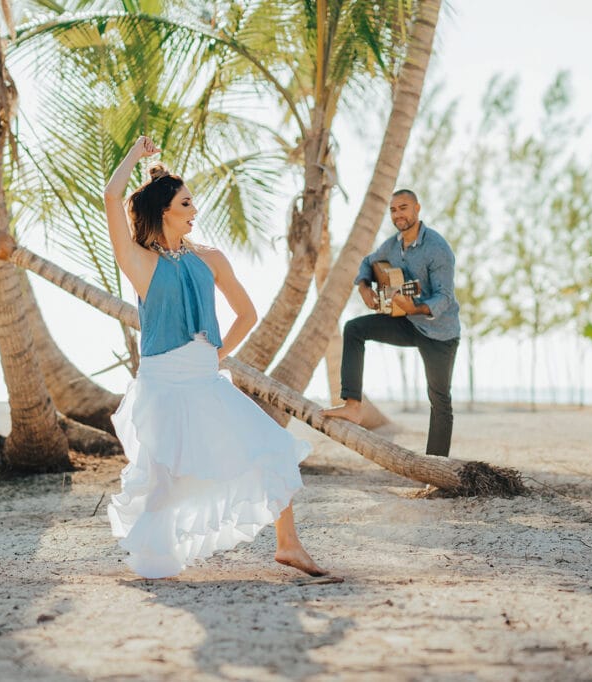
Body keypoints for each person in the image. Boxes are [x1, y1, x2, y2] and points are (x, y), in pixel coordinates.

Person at [103, 136, 328, 579]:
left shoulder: (211, 258)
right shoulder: (138, 260)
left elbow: (247, 314)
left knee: (272, 448)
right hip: (163, 385)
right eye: (186, 203)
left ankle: (289, 545)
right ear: (165, 209)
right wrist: (134, 153)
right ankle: (153, 550)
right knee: (166, 484)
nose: (194, 210)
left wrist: (217, 355)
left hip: (206, 381)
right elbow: (112, 196)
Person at [322, 189, 460, 457]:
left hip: (439, 331)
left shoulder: (437, 248)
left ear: (417, 209)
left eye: (404, 208)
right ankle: (352, 404)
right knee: (354, 329)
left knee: (439, 399)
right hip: (408, 323)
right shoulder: (393, 245)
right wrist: (363, 287)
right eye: (393, 210)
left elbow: (444, 297)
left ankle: (436, 465)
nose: (398, 215)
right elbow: (367, 262)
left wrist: (416, 307)